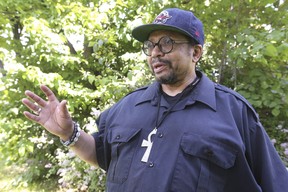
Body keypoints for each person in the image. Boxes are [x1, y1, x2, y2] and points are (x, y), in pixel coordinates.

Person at [22, 8, 288, 192]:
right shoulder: (126, 107)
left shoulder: (234, 113)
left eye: (167, 43)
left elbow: (276, 182)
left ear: (195, 52)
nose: (155, 53)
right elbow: (101, 154)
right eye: (150, 45)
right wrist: (70, 133)